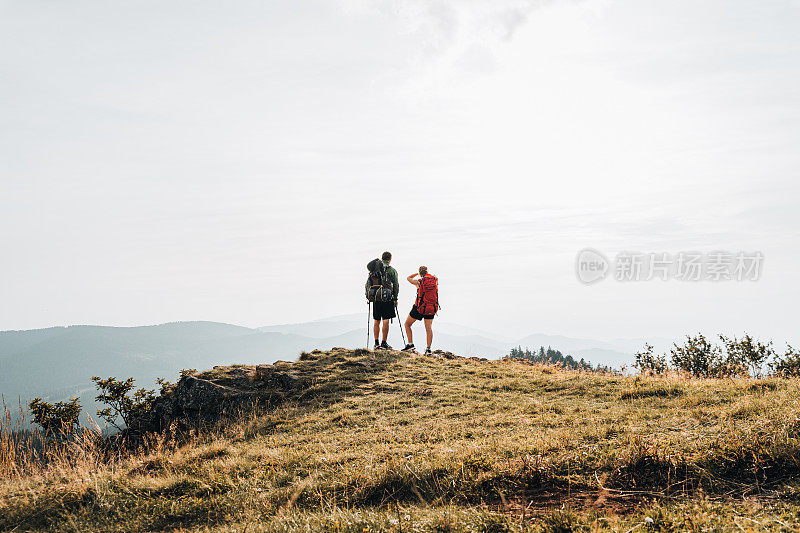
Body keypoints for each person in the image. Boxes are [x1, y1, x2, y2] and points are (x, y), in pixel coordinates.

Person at [402, 266, 438, 354]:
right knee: (428, 328)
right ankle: (428, 349)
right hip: (431, 306)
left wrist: (417, 273)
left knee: (407, 324)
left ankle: (410, 344)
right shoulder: (434, 280)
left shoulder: (419, 282)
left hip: (419, 307)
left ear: (420, 273)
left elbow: (408, 278)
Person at [372, 251, 399, 350]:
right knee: (386, 320)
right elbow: (396, 285)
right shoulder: (392, 271)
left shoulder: (374, 270)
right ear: (390, 259)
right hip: (388, 298)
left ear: (382, 258)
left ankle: (376, 343)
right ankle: (384, 343)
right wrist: (395, 298)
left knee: (376, 321)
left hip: (376, 298)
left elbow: (368, 284)